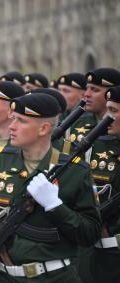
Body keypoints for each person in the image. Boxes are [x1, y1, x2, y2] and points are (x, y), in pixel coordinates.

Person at [0, 92, 101, 282]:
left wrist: (56, 207)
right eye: (13, 119)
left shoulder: (75, 171)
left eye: (20, 121)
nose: (11, 126)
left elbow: (90, 233)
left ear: (43, 128)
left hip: (54, 277)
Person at [76, 85, 120, 283]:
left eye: (114, 111)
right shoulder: (105, 148)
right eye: (107, 110)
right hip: (103, 253)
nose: (106, 117)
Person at [61, 68, 120, 153]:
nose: (86, 94)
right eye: (87, 89)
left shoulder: (116, 128)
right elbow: (62, 156)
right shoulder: (77, 123)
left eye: (95, 90)